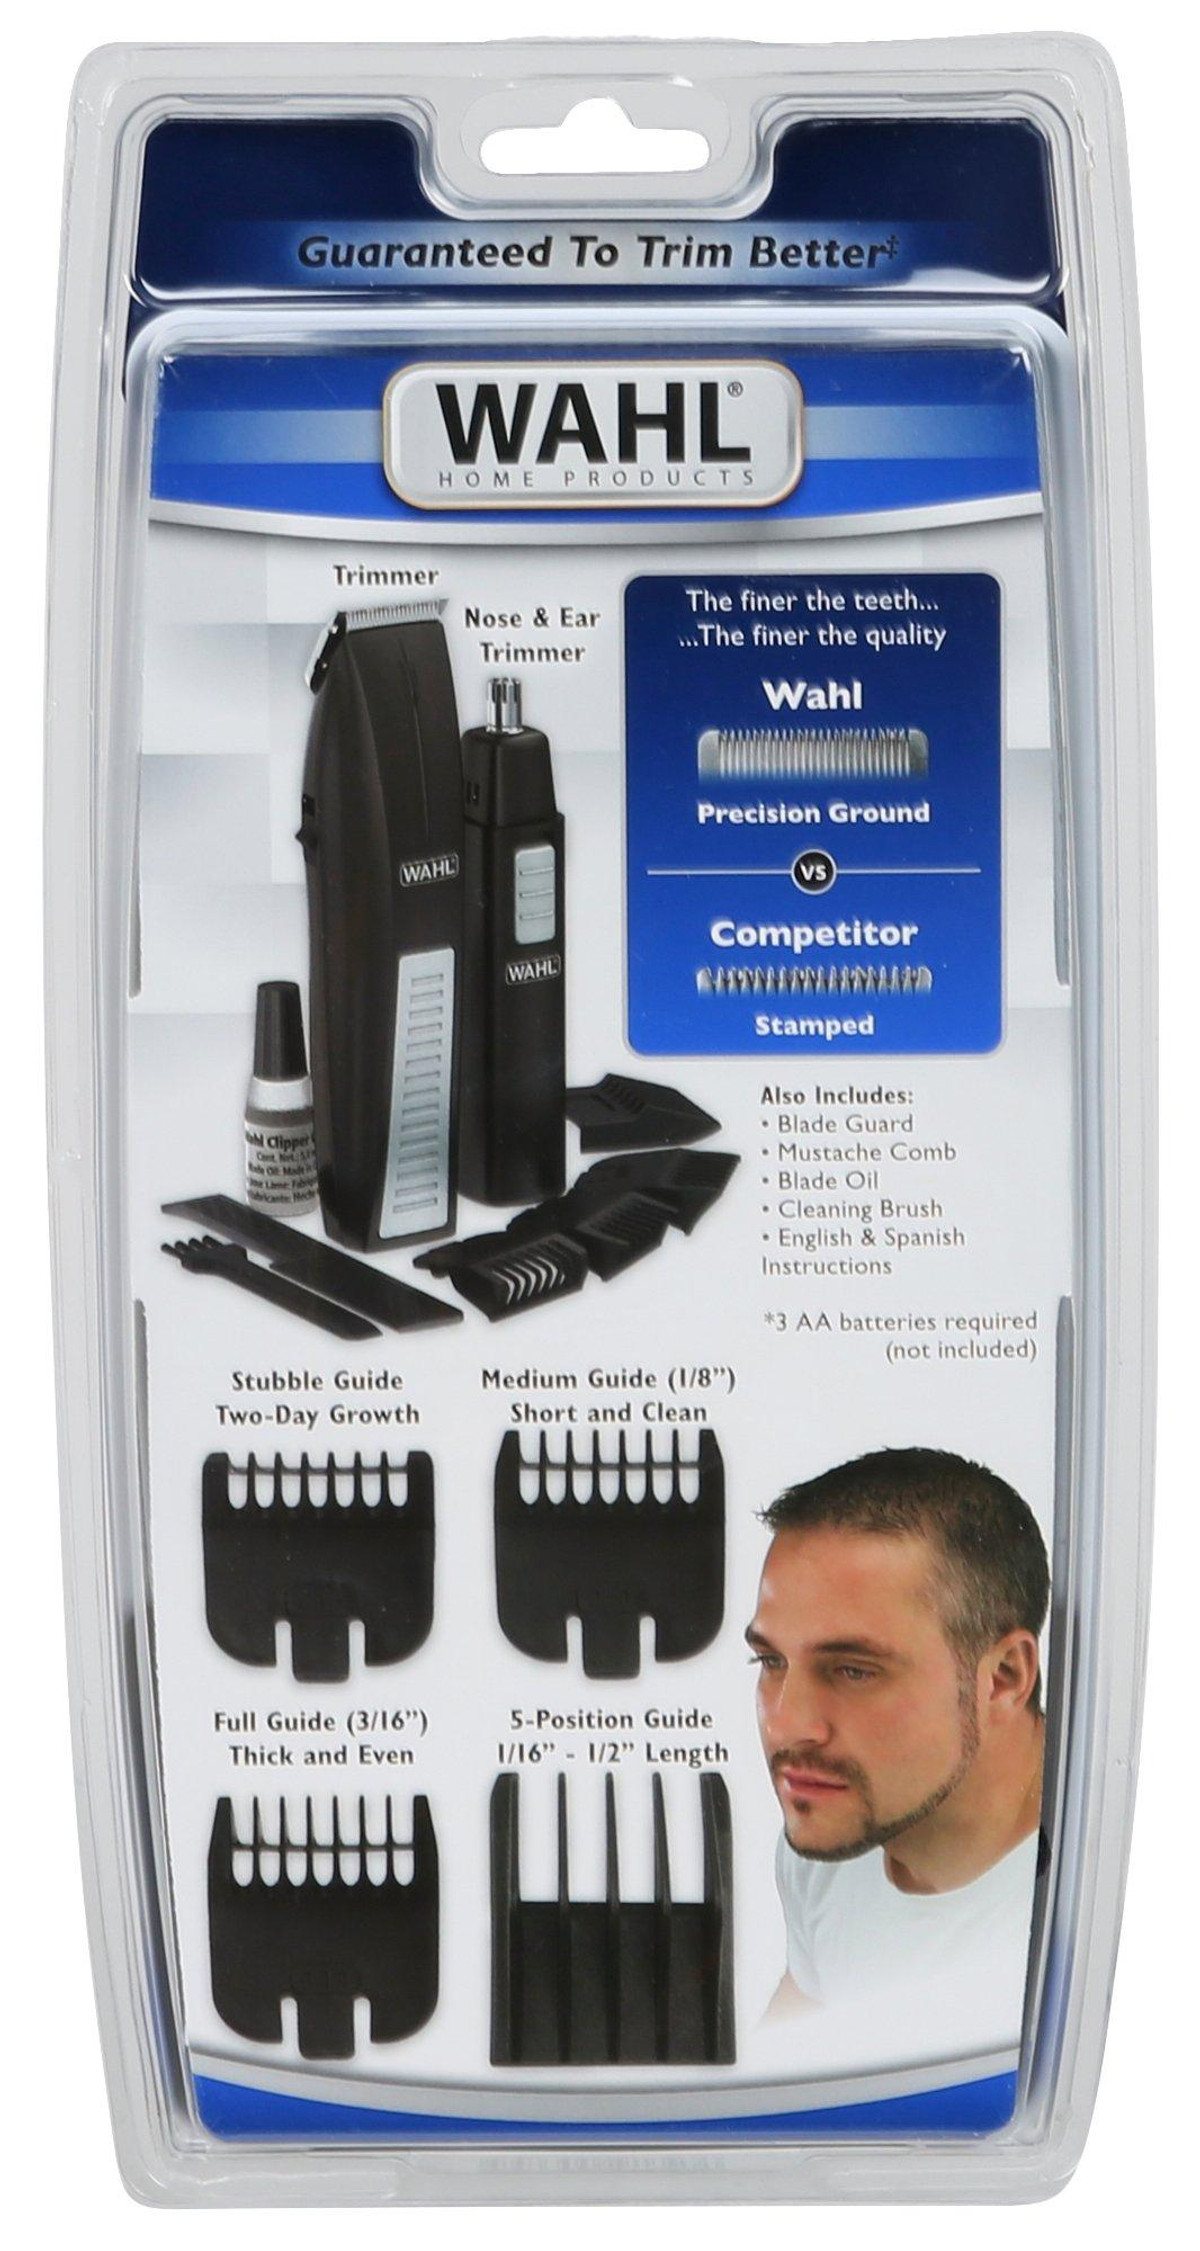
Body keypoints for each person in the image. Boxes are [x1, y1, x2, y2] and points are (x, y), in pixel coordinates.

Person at [747, 1448, 1049, 2040]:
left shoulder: (1100, 1905)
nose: (788, 1726)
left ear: (1004, 1677)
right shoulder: (831, 1848)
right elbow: (793, 2067)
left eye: (853, 1670)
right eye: (771, 1661)